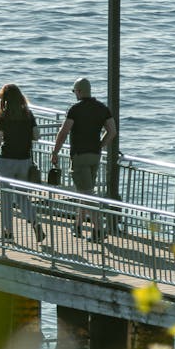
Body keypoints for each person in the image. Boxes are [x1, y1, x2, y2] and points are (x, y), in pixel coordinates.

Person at [51, 77, 116, 240]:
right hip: (95, 156)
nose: (75, 95)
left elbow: (64, 131)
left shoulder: (75, 109)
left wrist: (55, 152)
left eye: (75, 92)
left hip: (79, 156)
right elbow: (112, 131)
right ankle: (78, 226)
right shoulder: (102, 108)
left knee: (87, 195)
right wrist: (101, 145)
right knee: (84, 192)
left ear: (79, 91)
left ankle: (99, 231)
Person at [0, 84, 45, 242]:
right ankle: (35, 223)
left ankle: (8, 234)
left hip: (7, 161)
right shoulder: (28, 114)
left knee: (5, 197)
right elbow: (37, 136)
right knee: (22, 197)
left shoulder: (3, 116)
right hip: (24, 160)